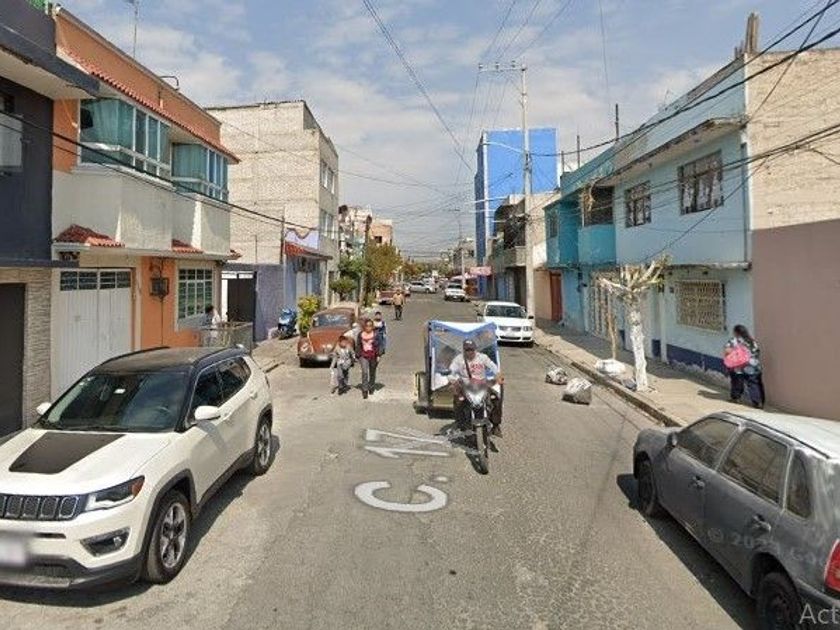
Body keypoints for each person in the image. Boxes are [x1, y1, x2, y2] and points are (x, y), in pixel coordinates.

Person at [448, 339, 505, 437]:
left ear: (475, 349)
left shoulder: (482, 357)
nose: (469, 352)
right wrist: (453, 380)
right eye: (467, 350)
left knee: (496, 399)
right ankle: (460, 423)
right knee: (458, 400)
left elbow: (494, 367)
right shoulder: (458, 359)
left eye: (471, 349)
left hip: (482, 385)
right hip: (466, 386)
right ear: (464, 350)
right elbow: (451, 372)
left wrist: (498, 376)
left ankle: (496, 425)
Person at [724, 324, 765, 409]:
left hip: (738, 366)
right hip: (753, 365)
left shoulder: (734, 341)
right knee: (754, 383)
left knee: (737, 382)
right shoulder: (752, 341)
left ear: (736, 332)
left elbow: (727, 351)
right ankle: (758, 402)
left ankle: (736, 398)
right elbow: (757, 352)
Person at [356, 318, 381, 399]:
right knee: (365, 372)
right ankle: (365, 390)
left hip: (373, 355)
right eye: (367, 326)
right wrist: (358, 355)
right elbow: (358, 345)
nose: (368, 327)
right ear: (364, 326)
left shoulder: (376, 334)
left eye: (370, 326)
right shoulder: (360, 334)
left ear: (372, 326)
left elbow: (379, 345)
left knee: (372, 372)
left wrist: (378, 355)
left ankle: (371, 386)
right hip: (363, 355)